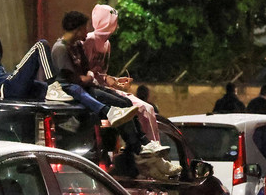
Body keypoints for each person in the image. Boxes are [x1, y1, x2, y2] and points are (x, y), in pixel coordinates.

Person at [52, 11, 179, 179]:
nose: (87, 31)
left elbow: (86, 73)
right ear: (77, 29)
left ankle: (145, 147)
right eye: (84, 28)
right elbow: (74, 80)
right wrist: (89, 78)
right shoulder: (60, 48)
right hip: (81, 91)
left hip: (89, 87)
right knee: (123, 106)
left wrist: (94, 78)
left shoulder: (76, 47)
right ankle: (141, 149)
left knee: (126, 103)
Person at [83, 4, 161, 141]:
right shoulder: (89, 40)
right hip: (93, 90)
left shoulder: (107, 44)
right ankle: (143, 145)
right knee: (140, 109)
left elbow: (101, 73)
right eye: (114, 21)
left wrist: (115, 80)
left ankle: (152, 147)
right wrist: (109, 82)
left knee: (148, 109)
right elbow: (86, 72)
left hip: (103, 87)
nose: (116, 26)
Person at [0, 34, 72, 101]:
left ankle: (69, 120)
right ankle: (52, 84)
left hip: (18, 89)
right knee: (41, 45)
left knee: (67, 90)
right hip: (8, 88)